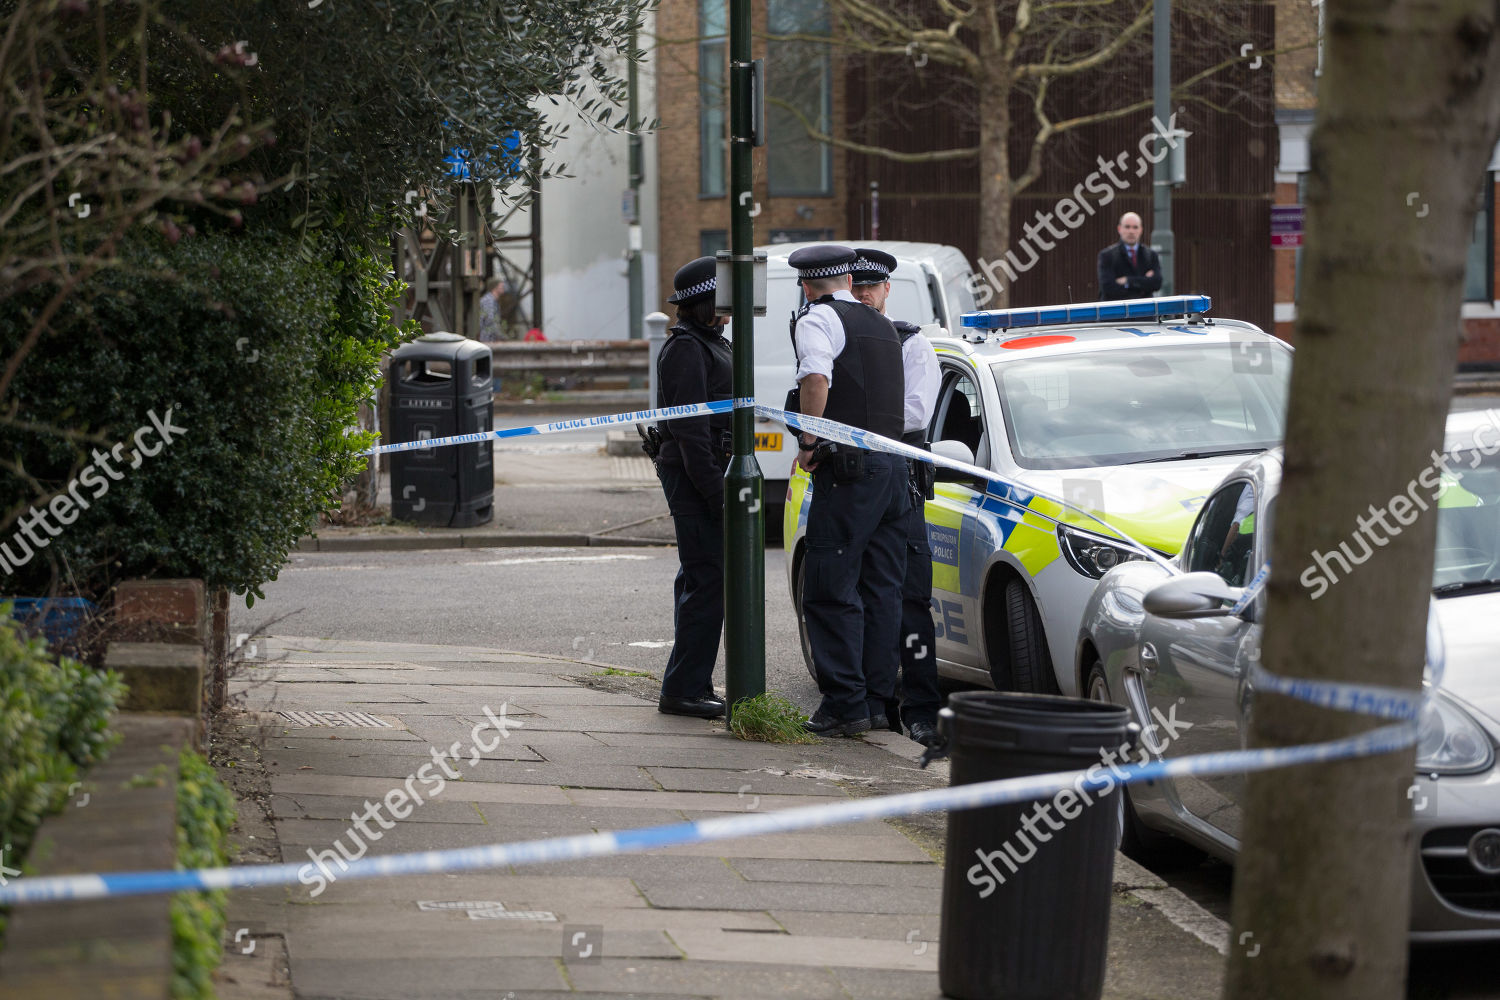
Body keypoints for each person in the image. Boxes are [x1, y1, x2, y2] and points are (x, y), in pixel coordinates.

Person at [789, 244, 908, 737]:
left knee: (830, 584)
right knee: (882, 590)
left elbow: (816, 377)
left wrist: (809, 440)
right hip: (894, 471)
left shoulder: (817, 319)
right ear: (845, 277)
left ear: (805, 284)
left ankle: (844, 703)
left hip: (849, 471)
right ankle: (878, 702)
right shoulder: (880, 322)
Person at [849, 248, 942, 748]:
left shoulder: (911, 344)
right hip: (850, 485)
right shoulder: (833, 338)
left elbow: (913, 415)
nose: (864, 293)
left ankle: (921, 708)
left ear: (887, 290)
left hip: (900, 485)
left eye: (872, 286)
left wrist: (849, 421)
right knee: (859, 599)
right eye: (855, 285)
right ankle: (873, 703)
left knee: (909, 602)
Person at [654, 257, 732, 719]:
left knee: (700, 581)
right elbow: (691, 432)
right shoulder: (686, 348)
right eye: (720, 300)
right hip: (695, 475)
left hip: (703, 471)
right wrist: (716, 493)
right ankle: (683, 689)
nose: (727, 309)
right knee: (707, 582)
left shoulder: (709, 341)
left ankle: (691, 681)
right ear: (701, 302)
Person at [1096, 212, 1162, 301]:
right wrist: (1144, 282)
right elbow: (1107, 287)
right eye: (1127, 227)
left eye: (1135, 227)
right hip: (1117, 312)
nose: (1131, 231)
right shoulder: (1107, 256)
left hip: (1144, 312)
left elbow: (1157, 283)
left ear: (1141, 230)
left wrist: (1127, 281)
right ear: (1119, 229)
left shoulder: (1151, 255)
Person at [478, 277, 506, 342]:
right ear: (495, 287)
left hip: (491, 338)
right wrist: (501, 336)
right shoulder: (488, 300)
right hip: (487, 339)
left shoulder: (493, 300)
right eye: (501, 285)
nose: (503, 287)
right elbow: (490, 321)